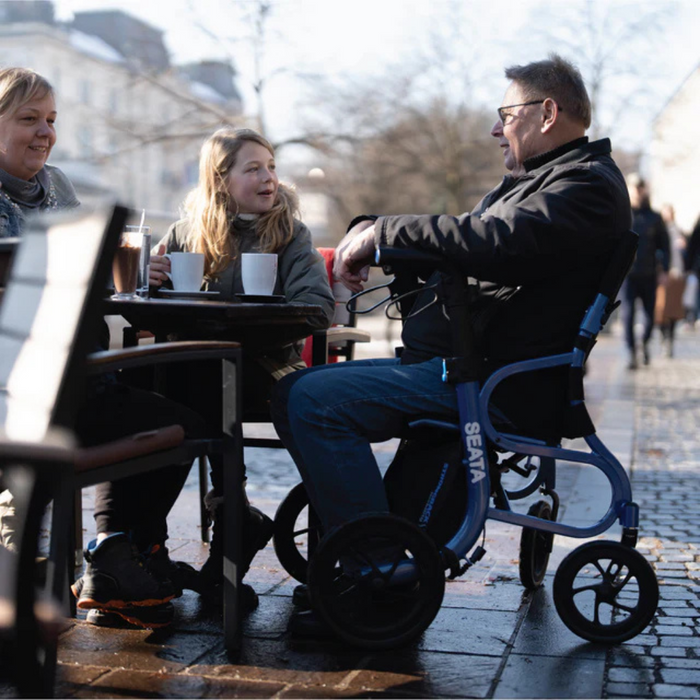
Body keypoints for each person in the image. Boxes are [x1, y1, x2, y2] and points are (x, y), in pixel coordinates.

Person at [269, 54, 632, 636]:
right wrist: (375, 233)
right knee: (302, 391)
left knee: (310, 399)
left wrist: (383, 235)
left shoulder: (585, 187)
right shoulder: (549, 182)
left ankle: (376, 568)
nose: (495, 130)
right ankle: (363, 549)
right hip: (464, 367)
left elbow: (494, 239)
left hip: (489, 382)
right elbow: (470, 239)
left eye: (504, 114)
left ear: (547, 112)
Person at [148, 127, 335, 600]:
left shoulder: (290, 232)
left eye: (271, 166)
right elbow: (149, 308)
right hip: (198, 368)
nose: (269, 177)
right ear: (220, 179)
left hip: (267, 367)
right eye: (253, 168)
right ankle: (151, 543)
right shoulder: (184, 234)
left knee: (203, 377)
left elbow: (316, 306)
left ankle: (215, 530)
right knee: (149, 386)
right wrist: (149, 280)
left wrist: (237, 330)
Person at [0, 67, 79, 550]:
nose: (46, 133)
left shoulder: (58, 186)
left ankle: (120, 553)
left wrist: (132, 271)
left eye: (51, 119)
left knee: (175, 401)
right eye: (30, 118)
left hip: (59, 363)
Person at [619, 174, 669, 369]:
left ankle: (645, 344)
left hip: (649, 274)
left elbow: (664, 246)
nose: (638, 191)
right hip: (627, 275)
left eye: (641, 188)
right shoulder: (623, 214)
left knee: (650, 316)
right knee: (628, 315)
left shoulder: (654, 218)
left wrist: (664, 270)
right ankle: (632, 352)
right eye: (635, 187)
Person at [655, 204, 687, 357]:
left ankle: (670, 340)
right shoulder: (658, 230)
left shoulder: (677, 231)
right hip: (662, 275)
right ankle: (663, 336)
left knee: (673, 310)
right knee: (661, 310)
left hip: (676, 273)